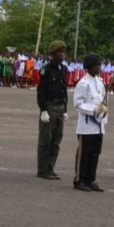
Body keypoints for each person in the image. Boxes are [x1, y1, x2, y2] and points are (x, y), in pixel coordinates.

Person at [73, 53, 108, 192]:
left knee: (95, 152)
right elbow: (78, 104)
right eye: (96, 65)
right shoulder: (83, 83)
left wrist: (103, 111)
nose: (98, 68)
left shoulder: (101, 82)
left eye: (99, 65)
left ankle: (90, 179)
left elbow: (104, 100)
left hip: (99, 125)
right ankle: (80, 179)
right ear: (88, 67)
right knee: (85, 153)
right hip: (86, 125)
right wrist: (94, 110)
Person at [36, 40, 69, 181]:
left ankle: (51, 167)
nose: (62, 54)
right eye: (59, 52)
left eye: (63, 52)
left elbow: (64, 90)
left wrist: (66, 109)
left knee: (56, 139)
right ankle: (43, 170)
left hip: (60, 106)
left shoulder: (63, 69)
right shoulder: (46, 69)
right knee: (45, 140)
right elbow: (41, 91)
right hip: (49, 106)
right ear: (53, 53)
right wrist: (43, 109)